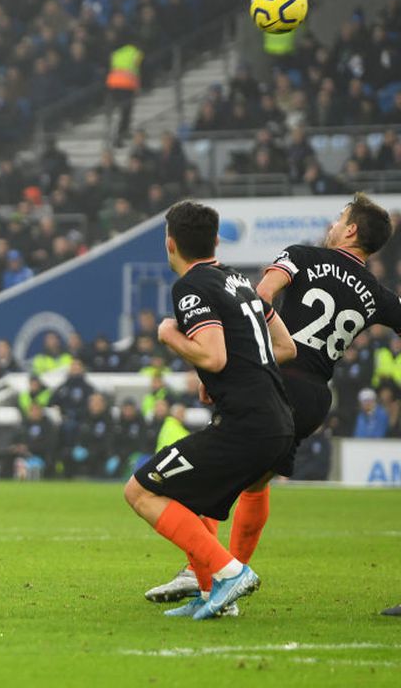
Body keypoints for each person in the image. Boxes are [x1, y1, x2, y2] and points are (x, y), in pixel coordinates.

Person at [146, 193, 401, 604]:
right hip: (316, 396)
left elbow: (257, 299)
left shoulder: (302, 256)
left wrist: (223, 369)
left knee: (217, 469)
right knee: (254, 481)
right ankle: (225, 576)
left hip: (274, 378)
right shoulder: (376, 292)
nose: (333, 224)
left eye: (340, 218)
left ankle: (206, 572)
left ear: (351, 230)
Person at [123, 200, 297, 620]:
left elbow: (214, 356)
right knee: (196, 496)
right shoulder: (237, 280)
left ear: (170, 243)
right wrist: (218, 379)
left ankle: (227, 572)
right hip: (278, 419)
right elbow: (286, 348)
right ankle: (211, 596)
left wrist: (169, 336)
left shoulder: (190, 286)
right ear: (216, 240)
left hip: (247, 425)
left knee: (141, 490)